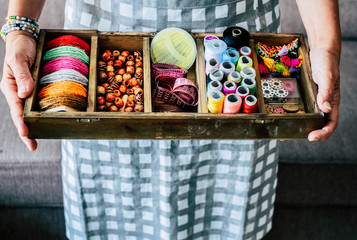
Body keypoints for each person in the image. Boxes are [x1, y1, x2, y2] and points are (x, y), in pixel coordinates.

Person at [1, 0, 341, 239]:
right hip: (103, 47)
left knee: (224, 220)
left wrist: (326, 47)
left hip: (238, 37)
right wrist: (19, 31)